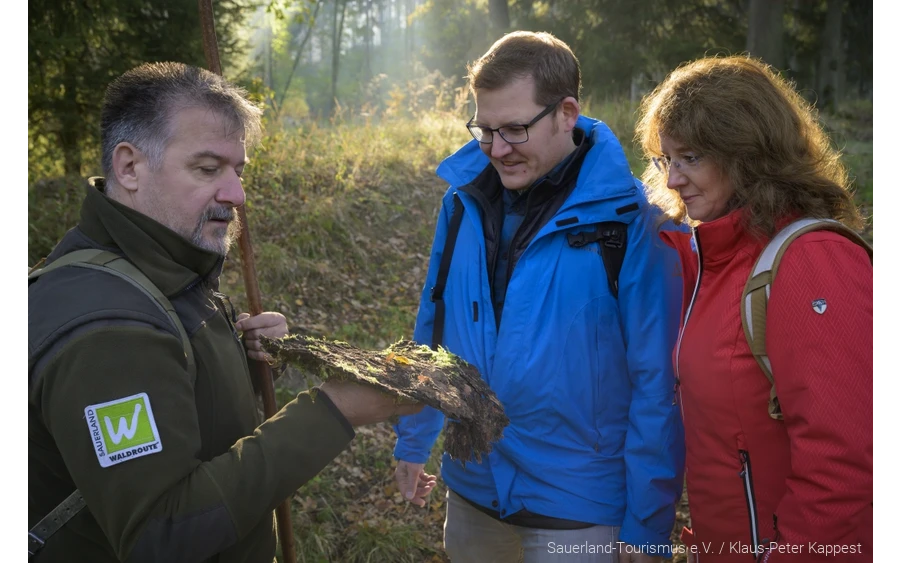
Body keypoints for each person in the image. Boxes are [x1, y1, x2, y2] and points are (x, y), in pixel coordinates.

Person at [24, 61, 423, 563]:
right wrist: (333, 411)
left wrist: (241, 360)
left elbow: (176, 407)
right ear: (129, 168)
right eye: (208, 169)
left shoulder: (157, 268)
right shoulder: (106, 328)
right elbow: (163, 533)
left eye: (239, 171)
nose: (236, 195)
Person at [391, 31, 686, 563]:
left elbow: (658, 383)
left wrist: (646, 524)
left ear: (566, 113)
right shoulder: (460, 204)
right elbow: (434, 325)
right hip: (472, 489)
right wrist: (414, 439)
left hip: (579, 509)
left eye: (514, 129)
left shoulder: (634, 225)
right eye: (485, 130)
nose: (497, 149)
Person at [634, 54, 875, 562]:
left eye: (691, 157)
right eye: (665, 159)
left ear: (747, 153)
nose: (672, 179)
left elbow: (837, 465)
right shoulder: (712, 255)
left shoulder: (812, 259)